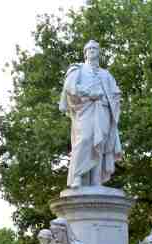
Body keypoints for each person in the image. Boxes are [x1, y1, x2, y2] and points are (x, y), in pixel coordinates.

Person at [59, 40, 122, 188]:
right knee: (85, 140)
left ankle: (96, 181)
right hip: (85, 109)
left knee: (100, 145)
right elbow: (70, 87)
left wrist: (115, 97)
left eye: (95, 48)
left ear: (99, 53)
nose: (92, 50)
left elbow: (115, 93)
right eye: (89, 48)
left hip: (103, 111)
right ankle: (77, 177)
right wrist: (89, 93)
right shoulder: (78, 69)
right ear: (85, 53)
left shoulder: (106, 74)